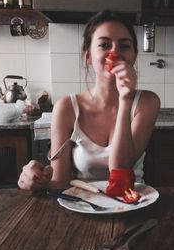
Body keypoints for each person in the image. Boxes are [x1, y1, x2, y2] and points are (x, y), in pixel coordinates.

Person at [18, 10, 160, 191]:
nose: (114, 52)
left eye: (124, 46)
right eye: (104, 45)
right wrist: (34, 181)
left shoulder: (147, 102)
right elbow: (59, 182)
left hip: (132, 204)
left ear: (134, 56)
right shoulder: (67, 108)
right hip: (82, 205)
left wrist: (125, 100)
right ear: (88, 56)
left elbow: (120, 171)